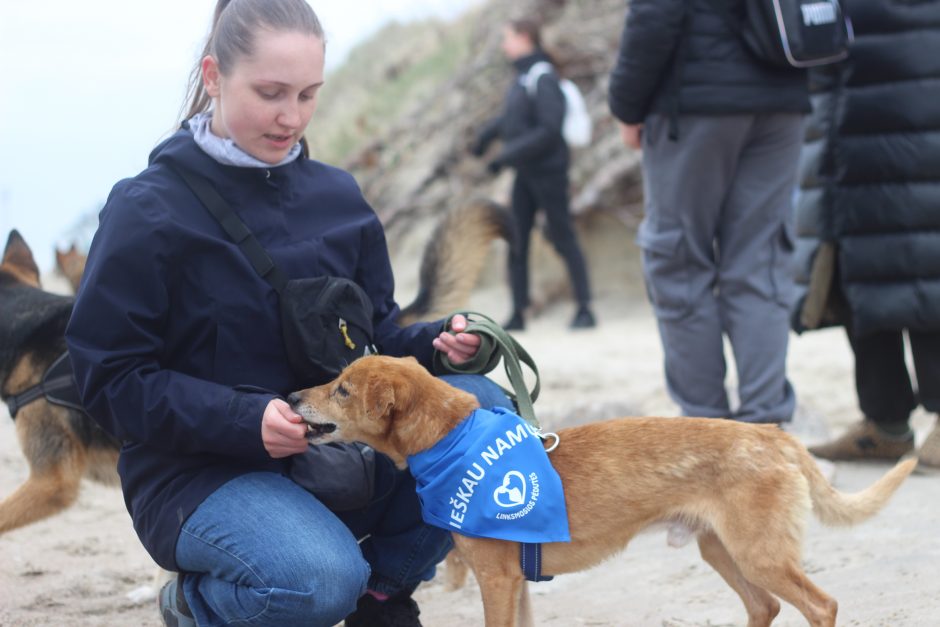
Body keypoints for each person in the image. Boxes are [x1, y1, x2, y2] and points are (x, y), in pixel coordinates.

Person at [65, 2, 509, 626]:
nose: (291, 117)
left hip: (341, 454)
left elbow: (377, 338)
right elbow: (108, 381)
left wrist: (442, 343)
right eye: (270, 93)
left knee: (487, 410)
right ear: (214, 76)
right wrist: (245, 419)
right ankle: (191, 602)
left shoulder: (339, 198)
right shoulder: (146, 210)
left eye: (307, 95)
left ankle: (384, 592)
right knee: (316, 580)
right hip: (202, 474)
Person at [607, 1, 809, 425]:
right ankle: (765, 426)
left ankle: (707, 428)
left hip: (696, 101)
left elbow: (656, 14)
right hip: (782, 94)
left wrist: (627, 106)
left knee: (678, 261)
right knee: (762, 260)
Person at [791, 0, 940, 468]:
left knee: (924, 274)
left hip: (917, 122)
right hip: (848, 130)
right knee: (859, 275)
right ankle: (885, 424)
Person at [471, 18, 596, 332]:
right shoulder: (524, 78)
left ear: (525, 38)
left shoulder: (543, 78)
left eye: (507, 38)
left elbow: (549, 130)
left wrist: (504, 156)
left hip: (549, 172)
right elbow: (512, 118)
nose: (503, 45)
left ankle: (585, 309)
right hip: (525, 173)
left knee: (563, 235)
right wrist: (486, 136)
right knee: (517, 239)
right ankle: (518, 311)